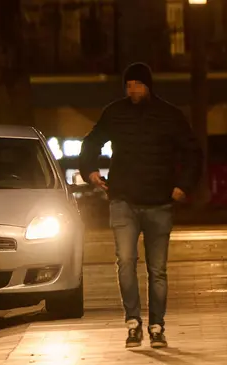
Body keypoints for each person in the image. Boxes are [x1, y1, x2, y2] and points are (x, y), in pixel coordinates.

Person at [79, 62, 202, 349]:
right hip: (123, 199)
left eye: (138, 84)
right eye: (128, 85)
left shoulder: (169, 115)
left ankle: (157, 325)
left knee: (157, 269)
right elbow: (92, 142)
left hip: (159, 202)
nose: (132, 89)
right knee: (126, 263)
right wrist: (90, 171)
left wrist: (184, 185)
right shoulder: (116, 113)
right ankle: (133, 322)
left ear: (148, 86)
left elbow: (193, 151)